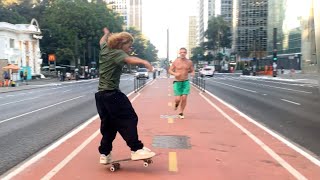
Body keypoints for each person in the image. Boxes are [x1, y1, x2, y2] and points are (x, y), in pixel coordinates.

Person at [95, 27, 155, 165]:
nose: (131, 48)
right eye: (129, 45)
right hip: (112, 95)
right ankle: (136, 149)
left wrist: (105, 34)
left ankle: (104, 153)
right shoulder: (117, 53)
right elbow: (130, 59)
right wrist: (145, 62)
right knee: (128, 118)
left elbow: (102, 41)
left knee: (109, 126)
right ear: (121, 43)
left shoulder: (105, 49)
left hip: (100, 97)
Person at [169, 48, 195, 119]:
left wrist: (193, 73)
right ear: (179, 53)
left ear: (186, 53)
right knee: (178, 99)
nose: (182, 53)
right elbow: (170, 70)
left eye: (184, 52)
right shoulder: (175, 61)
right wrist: (174, 73)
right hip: (177, 82)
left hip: (185, 82)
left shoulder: (189, 62)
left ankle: (181, 112)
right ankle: (176, 104)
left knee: (184, 97)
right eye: (181, 52)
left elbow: (192, 70)